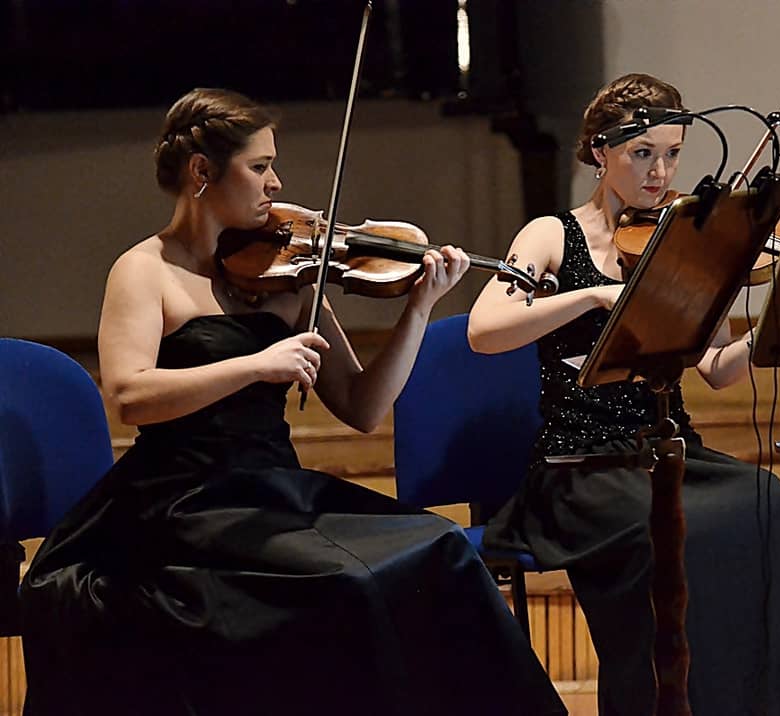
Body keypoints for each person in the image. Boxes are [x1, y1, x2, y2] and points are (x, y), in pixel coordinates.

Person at [19, 88, 566, 716]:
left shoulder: (288, 274)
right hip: (185, 502)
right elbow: (129, 395)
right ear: (201, 171)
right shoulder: (145, 271)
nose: (276, 184)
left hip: (276, 489)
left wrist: (419, 307)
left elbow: (362, 406)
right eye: (259, 166)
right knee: (347, 582)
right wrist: (255, 365)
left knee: (439, 547)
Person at [468, 74, 780, 715]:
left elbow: (717, 369)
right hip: (580, 464)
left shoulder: (683, 236)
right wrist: (594, 296)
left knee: (765, 502)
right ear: (600, 150)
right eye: (642, 153)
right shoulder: (551, 235)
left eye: (673, 154)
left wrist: (774, 324)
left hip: (666, 449)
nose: (660, 173)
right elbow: (485, 330)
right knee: (662, 533)